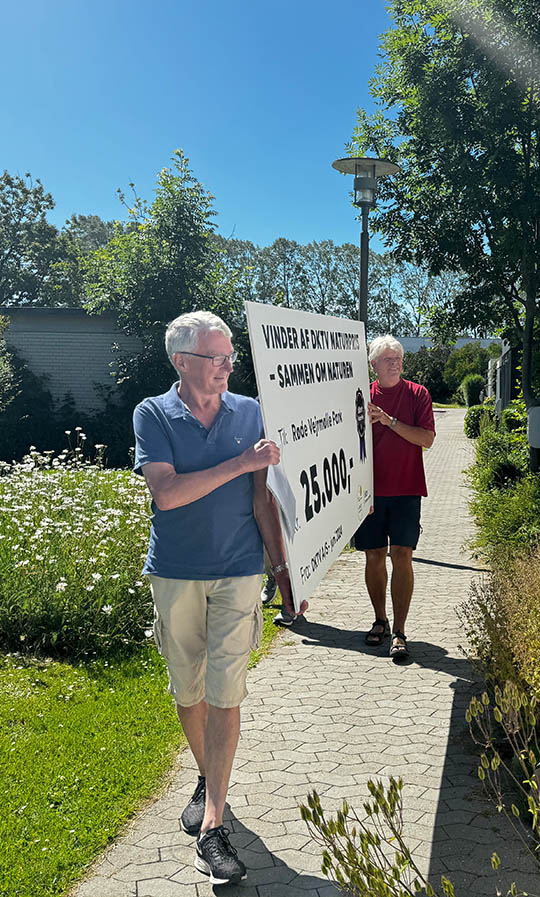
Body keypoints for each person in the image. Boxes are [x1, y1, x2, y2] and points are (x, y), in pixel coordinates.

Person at [133, 311, 297, 886]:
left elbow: (262, 498)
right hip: (176, 572)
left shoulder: (250, 411)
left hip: (239, 570)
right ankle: (208, 777)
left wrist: (284, 574)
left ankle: (214, 825)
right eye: (216, 357)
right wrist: (244, 461)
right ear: (182, 361)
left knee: (227, 690)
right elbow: (168, 493)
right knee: (189, 688)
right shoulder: (153, 413)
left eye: (231, 357)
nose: (228, 366)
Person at [354, 335, 435, 663]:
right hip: (369, 493)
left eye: (398, 358)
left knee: (402, 555)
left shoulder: (418, 394)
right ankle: (380, 620)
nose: (395, 364)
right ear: (373, 364)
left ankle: (400, 631)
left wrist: (390, 421)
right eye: (388, 359)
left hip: (406, 490)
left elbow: (426, 439)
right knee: (373, 556)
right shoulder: (361, 396)